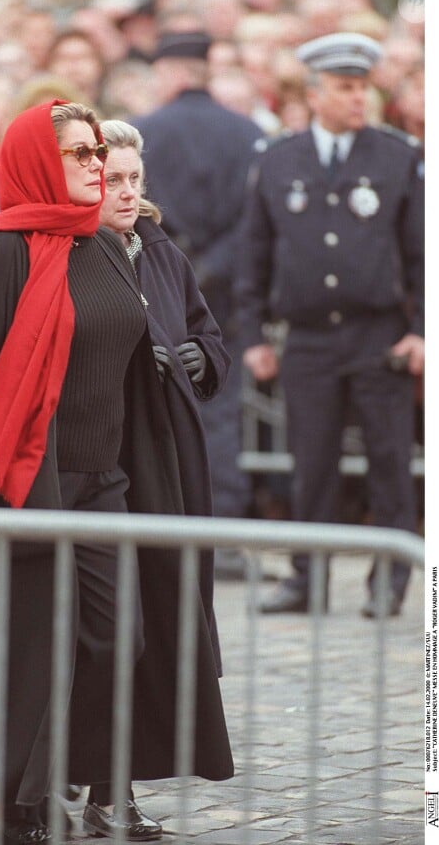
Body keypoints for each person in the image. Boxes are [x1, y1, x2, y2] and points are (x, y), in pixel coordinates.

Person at [0, 100, 234, 844]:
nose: (96, 166)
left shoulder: (107, 247)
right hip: (29, 482)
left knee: (120, 636)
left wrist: (180, 372)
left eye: (100, 154)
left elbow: (147, 343)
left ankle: (92, 784)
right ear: (37, 165)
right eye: (81, 155)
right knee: (32, 644)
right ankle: (26, 797)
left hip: (107, 482)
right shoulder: (4, 250)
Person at [240, 32, 424, 618]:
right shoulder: (278, 158)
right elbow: (255, 254)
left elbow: (421, 252)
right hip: (309, 337)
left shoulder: (398, 156)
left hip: (379, 334)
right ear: (315, 94)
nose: (357, 99)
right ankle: (307, 575)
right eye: (345, 88)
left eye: (363, 87)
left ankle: (388, 580)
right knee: (309, 461)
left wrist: (421, 329)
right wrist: (251, 336)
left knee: (389, 460)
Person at [99, 116, 231, 660]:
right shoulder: (76, 255)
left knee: (173, 583)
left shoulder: (161, 251)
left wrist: (202, 357)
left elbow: (207, 331)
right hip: (116, 446)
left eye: (135, 179)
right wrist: (127, 365)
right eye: (114, 180)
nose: (128, 192)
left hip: (174, 445)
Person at [132, 31, 264, 568]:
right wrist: (213, 266)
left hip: (158, 282)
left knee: (154, 400)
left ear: (171, 72)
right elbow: (254, 222)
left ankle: (166, 528)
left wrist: (177, 264)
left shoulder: (144, 131)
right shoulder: (248, 132)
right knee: (221, 405)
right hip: (223, 287)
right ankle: (223, 530)